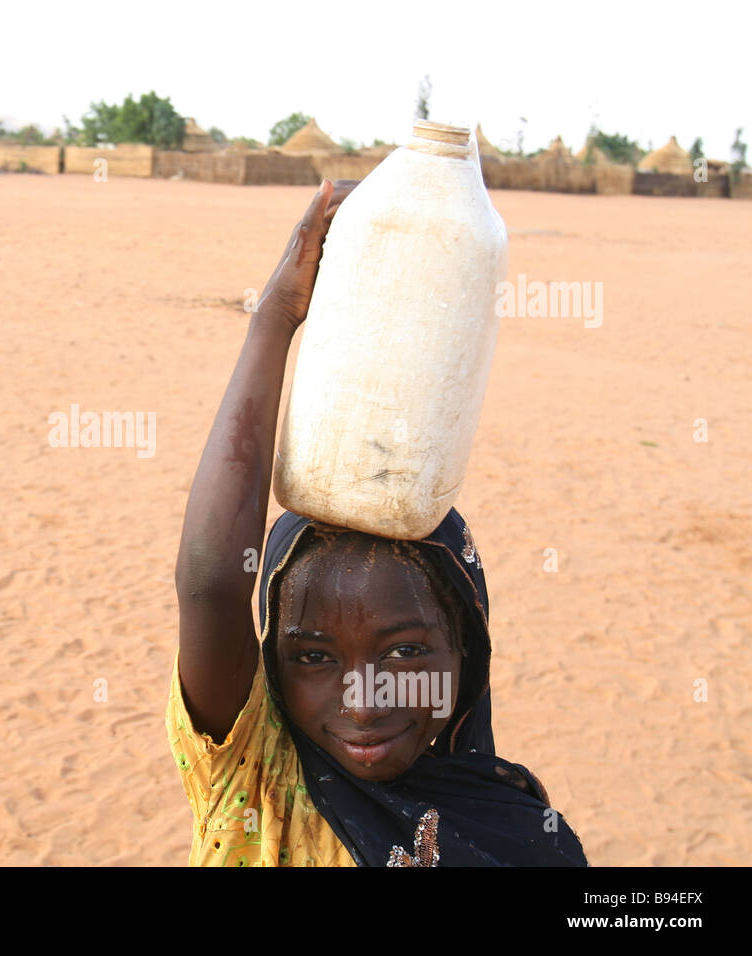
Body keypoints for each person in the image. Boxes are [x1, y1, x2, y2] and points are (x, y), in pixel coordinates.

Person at [168, 179, 588, 867]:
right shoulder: (255, 777)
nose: (362, 702)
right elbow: (212, 584)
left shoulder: (515, 833)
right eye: (312, 658)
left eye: (404, 653)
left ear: (466, 653)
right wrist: (274, 319)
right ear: (271, 665)